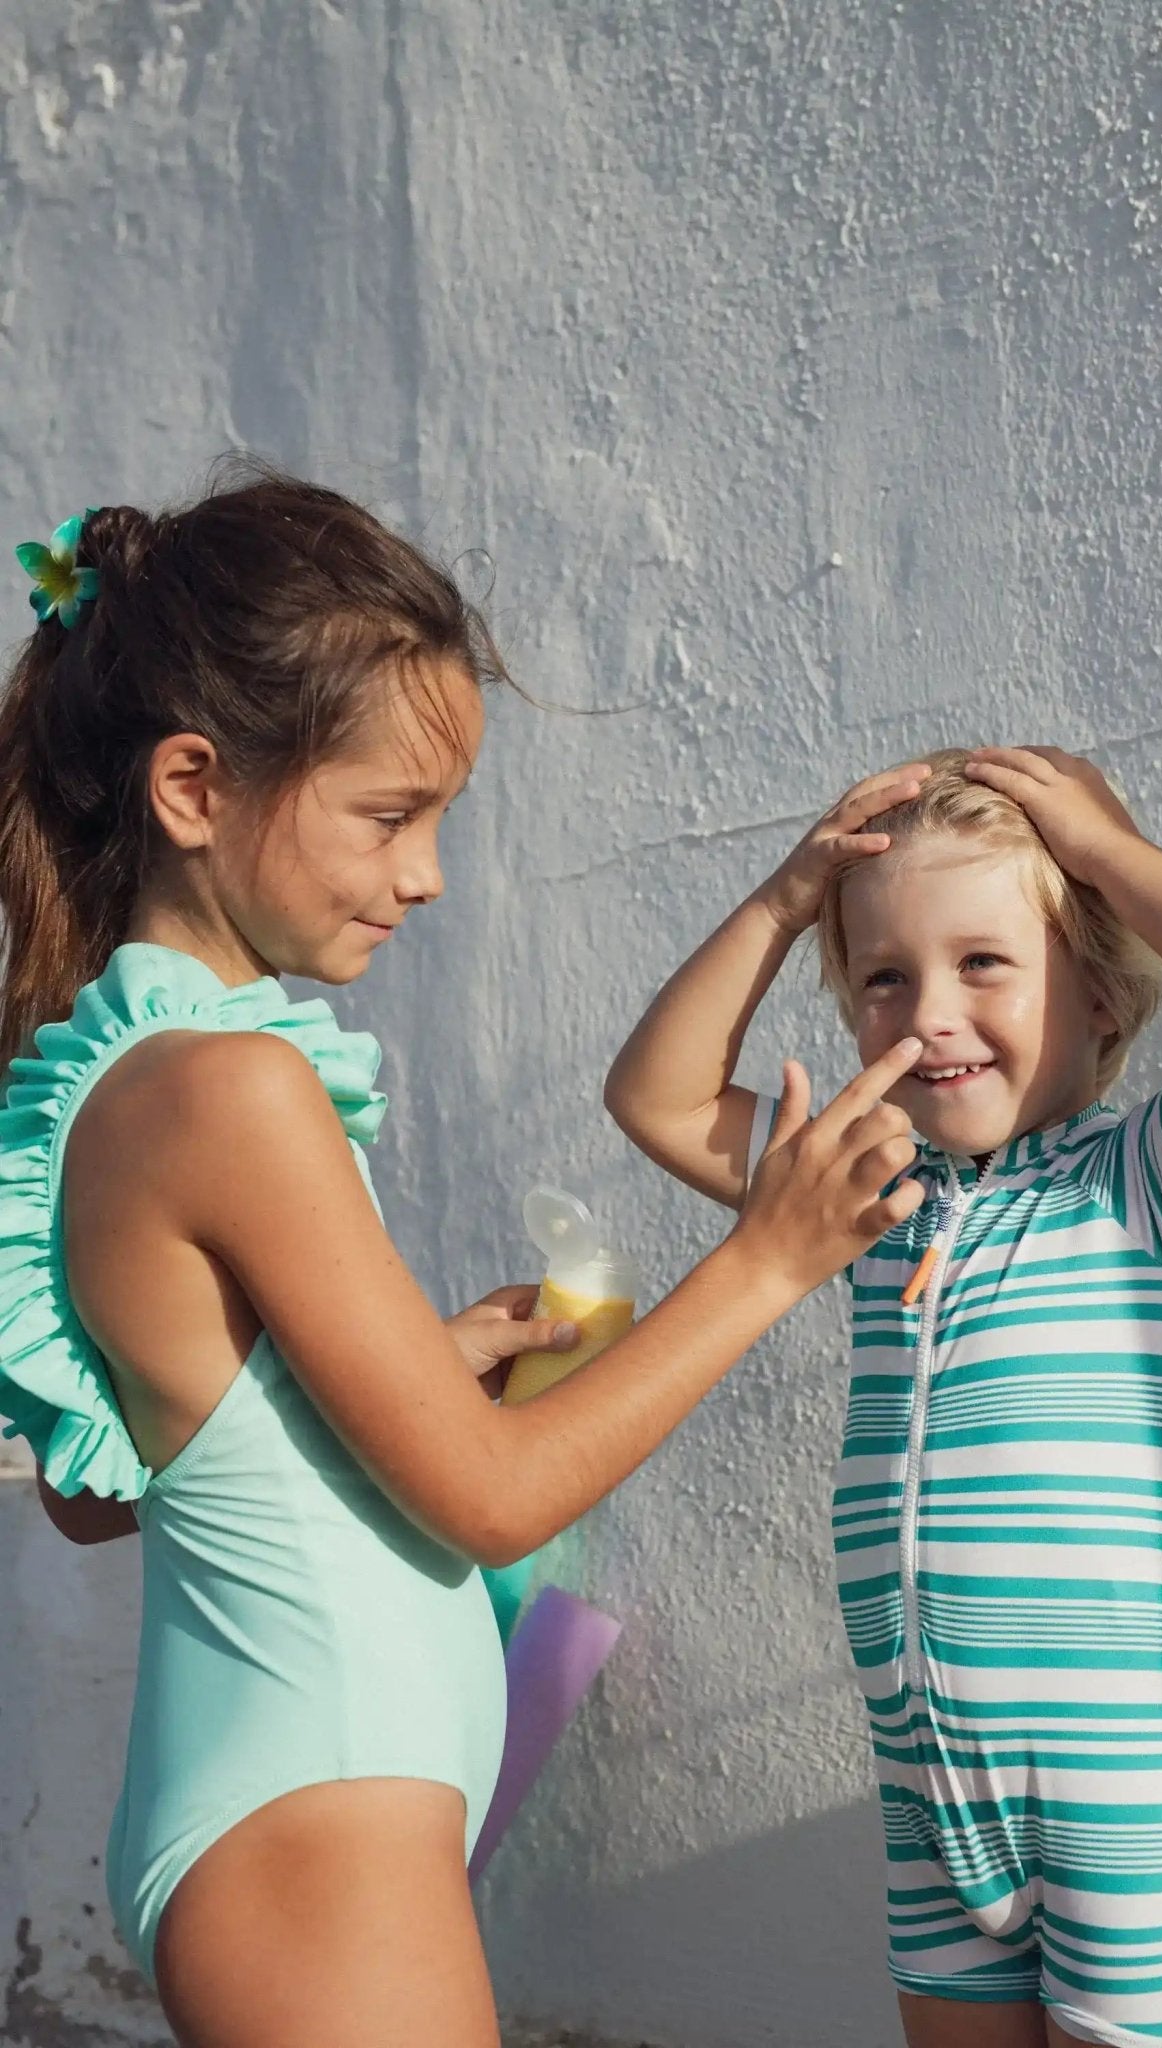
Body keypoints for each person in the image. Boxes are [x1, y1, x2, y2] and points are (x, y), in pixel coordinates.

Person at [0, 472, 926, 2048]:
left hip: (286, 1804)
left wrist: (410, 1364)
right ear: (190, 786)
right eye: (387, 815)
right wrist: (769, 1257)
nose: (426, 874)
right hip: (319, 1828)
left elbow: (115, 1488)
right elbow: (493, 1499)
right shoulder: (233, 1091)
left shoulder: (128, 1075)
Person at [605, 747, 1162, 2048]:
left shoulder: (1147, 1187)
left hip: (1126, 1807)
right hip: (927, 1791)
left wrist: (1102, 853)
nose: (925, 1012)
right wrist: (786, 899)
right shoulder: (863, 1201)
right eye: (884, 977)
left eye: (982, 963)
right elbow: (654, 1096)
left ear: (1104, 1002)